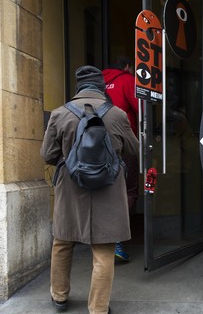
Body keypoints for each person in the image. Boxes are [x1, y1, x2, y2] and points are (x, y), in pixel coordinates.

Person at [41, 65, 139, 314]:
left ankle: (60, 297)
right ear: (101, 87)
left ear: (78, 88)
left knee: (62, 243)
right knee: (104, 251)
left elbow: (47, 155)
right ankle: (98, 308)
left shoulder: (59, 114)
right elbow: (133, 150)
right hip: (108, 188)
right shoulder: (117, 114)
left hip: (70, 189)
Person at [102, 56, 139, 262]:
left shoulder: (96, 83)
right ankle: (116, 241)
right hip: (123, 144)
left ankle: (102, 240)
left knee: (103, 192)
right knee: (129, 190)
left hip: (95, 147)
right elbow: (139, 109)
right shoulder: (127, 80)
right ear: (127, 67)